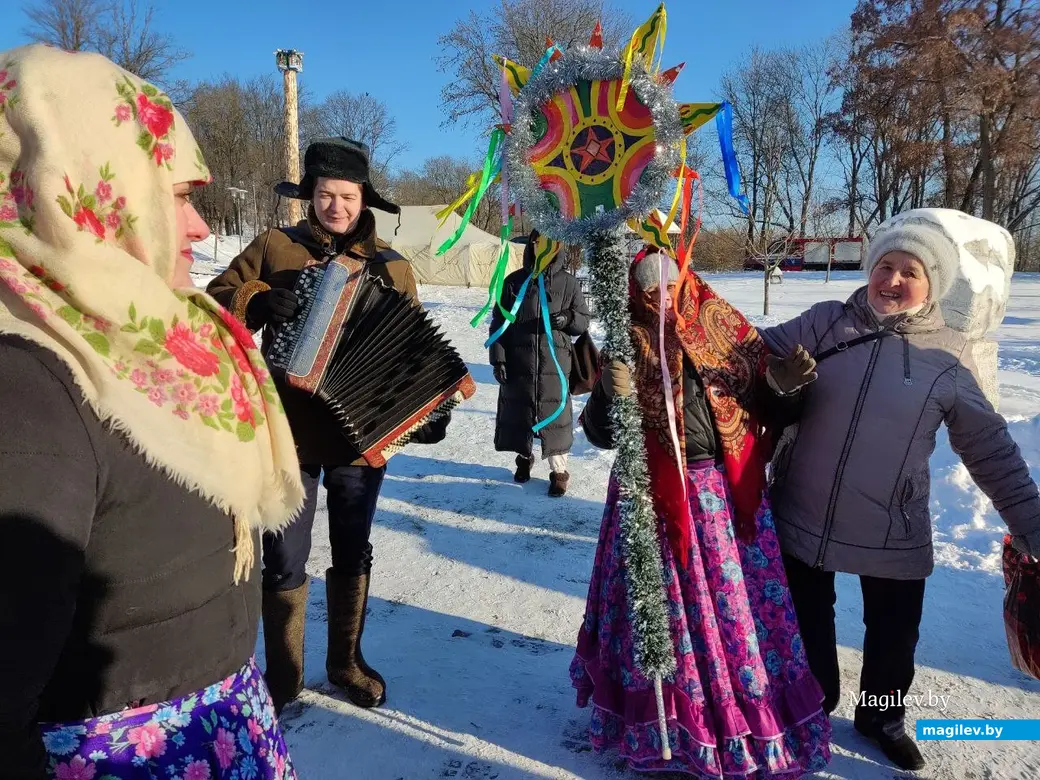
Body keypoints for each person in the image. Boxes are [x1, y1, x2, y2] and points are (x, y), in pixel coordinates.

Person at [0, 45, 305, 779]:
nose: (199, 228)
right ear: (86, 189)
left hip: (225, 728)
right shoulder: (27, 384)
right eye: (175, 196)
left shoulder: (163, 337)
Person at [760, 208, 1040, 771]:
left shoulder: (950, 356)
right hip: (800, 513)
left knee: (893, 641)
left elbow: (989, 448)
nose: (893, 280)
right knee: (805, 626)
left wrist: (1032, 524)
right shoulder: (823, 322)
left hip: (893, 527)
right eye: (884, 266)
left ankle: (881, 718)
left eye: (909, 271)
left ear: (932, 282)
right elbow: (741, 353)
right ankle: (814, 705)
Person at [207, 137, 448, 714]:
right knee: (285, 554)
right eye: (325, 195)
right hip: (288, 431)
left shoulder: (391, 265)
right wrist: (256, 300)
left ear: (364, 198)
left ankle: (345, 660)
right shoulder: (275, 247)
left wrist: (427, 407)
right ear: (309, 196)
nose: (335, 206)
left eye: (346, 195)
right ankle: (284, 673)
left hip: (360, 436)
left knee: (351, 546)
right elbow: (212, 305)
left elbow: (412, 351)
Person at [570, 246, 830, 777]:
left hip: (719, 499)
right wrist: (605, 397)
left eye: (669, 285)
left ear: (686, 281)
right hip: (646, 493)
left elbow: (768, 409)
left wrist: (783, 386)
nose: (660, 297)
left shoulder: (722, 330)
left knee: (733, 612)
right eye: (648, 288)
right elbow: (600, 435)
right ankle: (661, 720)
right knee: (658, 613)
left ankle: (740, 714)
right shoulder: (624, 341)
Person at [490, 232, 590, 496]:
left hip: (554, 364)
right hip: (519, 362)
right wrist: (498, 358)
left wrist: (568, 318)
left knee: (554, 416)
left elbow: (583, 321)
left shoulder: (568, 284)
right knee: (521, 413)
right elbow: (499, 323)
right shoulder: (514, 282)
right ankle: (524, 458)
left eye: (547, 243)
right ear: (531, 247)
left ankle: (559, 471)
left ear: (557, 247)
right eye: (536, 244)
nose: (540, 248)